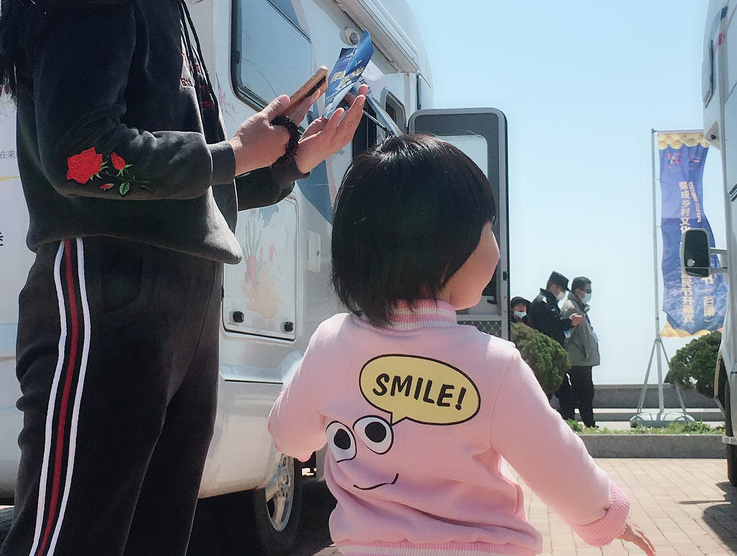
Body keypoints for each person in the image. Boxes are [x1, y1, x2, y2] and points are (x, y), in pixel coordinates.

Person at [0, 0, 366, 556]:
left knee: (156, 536)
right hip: (106, 290)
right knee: (73, 536)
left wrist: (290, 160)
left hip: (180, 301)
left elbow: (185, 184)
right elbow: (81, 158)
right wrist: (231, 153)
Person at [268, 135, 654, 556]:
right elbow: (556, 463)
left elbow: (289, 437)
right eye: (488, 229)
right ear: (446, 248)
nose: (496, 247)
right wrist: (606, 518)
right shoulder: (493, 364)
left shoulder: (331, 343)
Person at [531, 270, 581, 419]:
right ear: (554, 287)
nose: (563, 294)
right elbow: (550, 327)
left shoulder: (550, 302)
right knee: (553, 394)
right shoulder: (542, 302)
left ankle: (566, 422)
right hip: (547, 357)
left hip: (554, 357)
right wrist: (569, 322)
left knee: (564, 395)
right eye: (562, 290)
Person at [562, 276, 600, 428]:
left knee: (586, 392)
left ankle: (588, 423)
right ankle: (588, 424)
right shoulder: (571, 307)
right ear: (578, 291)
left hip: (583, 358)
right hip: (577, 359)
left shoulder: (579, 306)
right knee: (584, 393)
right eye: (588, 291)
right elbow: (566, 334)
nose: (590, 294)